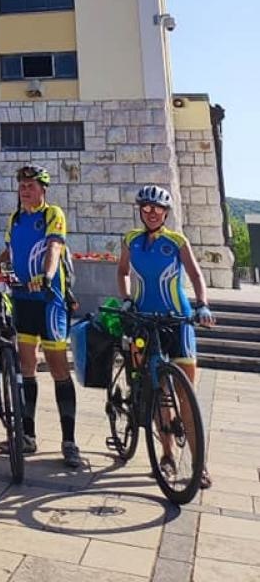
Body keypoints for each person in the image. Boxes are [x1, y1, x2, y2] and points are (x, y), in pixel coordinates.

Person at [117, 183, 214, 488]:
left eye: (157, 209)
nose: (152, 213)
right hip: (145, 319)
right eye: (146, 208)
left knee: (186, 395)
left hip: (177, 319)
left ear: (166, 212)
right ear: (140, 211)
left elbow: (196, 275)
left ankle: (200, 465)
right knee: (157, 390)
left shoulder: (176, 240)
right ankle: (167, 455)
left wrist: (202, 304)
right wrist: (127, 298)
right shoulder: (131, 240)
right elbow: (122, 272)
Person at [0, 164, 81, 468]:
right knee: (26, 366)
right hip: (22, 299)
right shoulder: (16, 218)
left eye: (30, 185)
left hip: (49, 301)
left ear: (42, 189)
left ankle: (69, 441)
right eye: (21, 185)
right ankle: (27, 435)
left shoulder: (52, 214)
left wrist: (47, 276)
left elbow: (54, 247)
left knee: (59, 368)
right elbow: (10, 251)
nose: (24, 190)